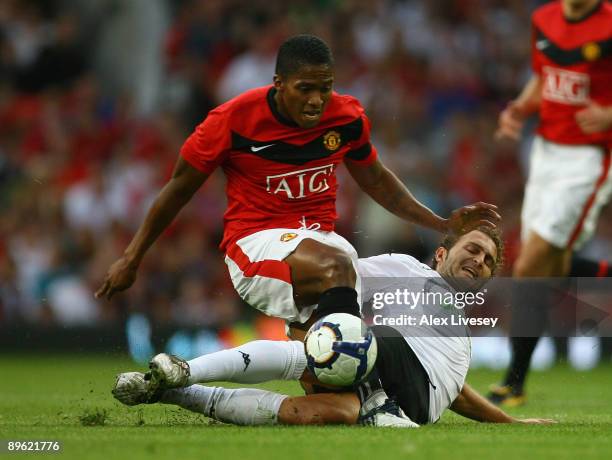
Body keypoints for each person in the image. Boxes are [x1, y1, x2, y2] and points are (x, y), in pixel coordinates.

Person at [95, 34, 499, 340]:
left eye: (325, 87)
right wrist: (132, 258)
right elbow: (177, 190)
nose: (317, 100)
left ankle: (196, 386)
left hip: (319, 242)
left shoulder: (346, 118)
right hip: (255, 244)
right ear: (278, 83)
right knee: (339, 272)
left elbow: (376, 179)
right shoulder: (231, 122)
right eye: (305, 88)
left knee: (332, 346)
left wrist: (440, 222)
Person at [112, 228, 554, 427]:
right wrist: (313, 328)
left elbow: (454, 392)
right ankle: (183, 370)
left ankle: (172, 391)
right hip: (384, 363)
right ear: (441, 256)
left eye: (488, 261)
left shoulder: (461, 336)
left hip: (412, 404)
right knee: (353, 343)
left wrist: (509, 423)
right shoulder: (405, 270)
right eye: (472, 249)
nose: (479, 261)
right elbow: (337, 280)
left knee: (328, 413)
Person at [491, 0, 612, 406]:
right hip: (546, 152)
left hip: (590, 159)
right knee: (551, 267)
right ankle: (516, 381)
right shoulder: (544, 19)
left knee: (530, 263)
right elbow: (546, 78)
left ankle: (513, 383)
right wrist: (519, 109)